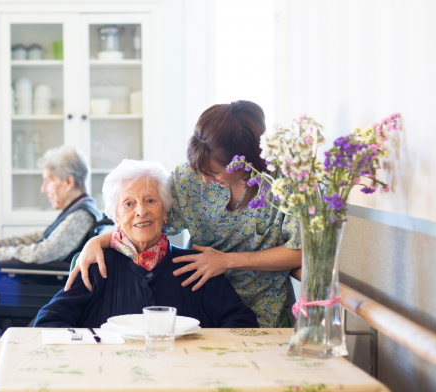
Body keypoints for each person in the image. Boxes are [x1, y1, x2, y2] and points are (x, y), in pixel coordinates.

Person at [66, 101, 302, 328]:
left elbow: (300, 251)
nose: (204, 179)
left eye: (214, 172)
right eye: (200, 169)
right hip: (202, 298)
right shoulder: (188, 177)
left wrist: (227, 261)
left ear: (244, 161)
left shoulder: (285, 183)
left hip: (263, 306)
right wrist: (98, 240)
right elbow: (149, 221)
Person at [35, 159, 259, 328]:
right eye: (129, 204)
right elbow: (49, 322)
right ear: (117, 218)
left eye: (150, 200)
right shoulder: (98, 266)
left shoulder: (196, 267)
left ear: (165, 212)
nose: (141, 211)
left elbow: (242, 324)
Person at [0, 145, 102, 264]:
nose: (43, 189)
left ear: (68, 182)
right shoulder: (77, 208)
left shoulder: (81, 215)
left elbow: (44, 252)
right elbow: (42, 237)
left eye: (48, 181)